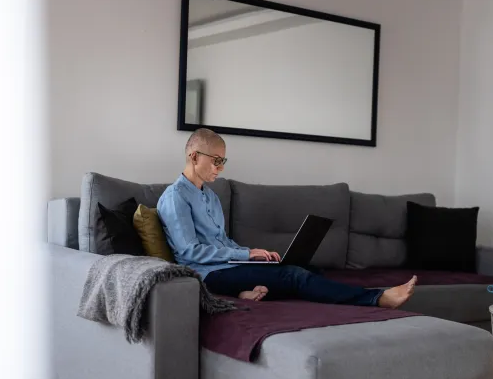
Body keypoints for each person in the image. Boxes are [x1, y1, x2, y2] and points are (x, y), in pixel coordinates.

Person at [156, 128, 416, 308]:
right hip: (206, 275)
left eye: (223, 161)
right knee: (294, 276)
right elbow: (190, 252)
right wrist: (248, 256)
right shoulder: (175, 196)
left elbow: (222, 241)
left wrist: (254, 252)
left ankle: (249, 291)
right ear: (193, 156)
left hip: (229, 266)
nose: (220, 168)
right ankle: (377, 298)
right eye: (215, 161)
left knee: (310, 270)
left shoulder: (210, 196)